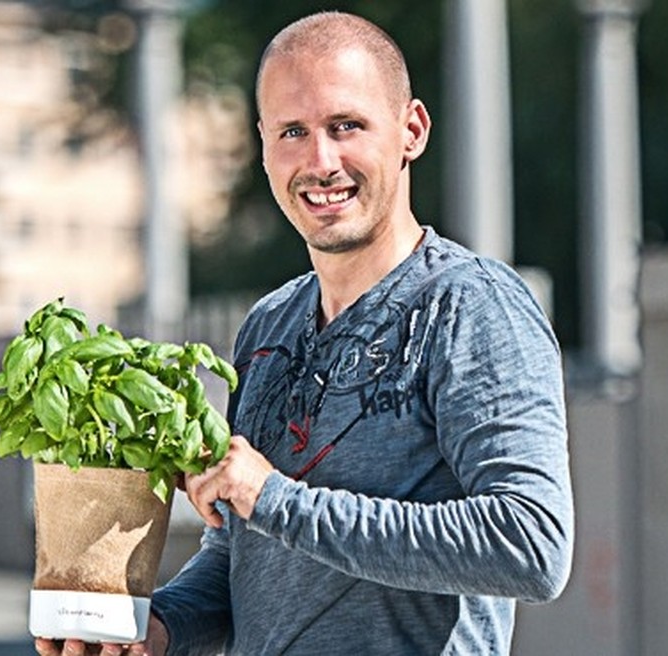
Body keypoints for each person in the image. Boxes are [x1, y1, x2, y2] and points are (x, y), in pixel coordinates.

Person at [36, 10, 573, 656]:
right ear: (264, 146)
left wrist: (275, 499)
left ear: (412, 130)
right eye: (293, 131)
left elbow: (531, 543)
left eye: (346, 126)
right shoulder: (269, 327)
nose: (320, 161)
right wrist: (160, 628)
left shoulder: (470, 308)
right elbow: (243, 555)